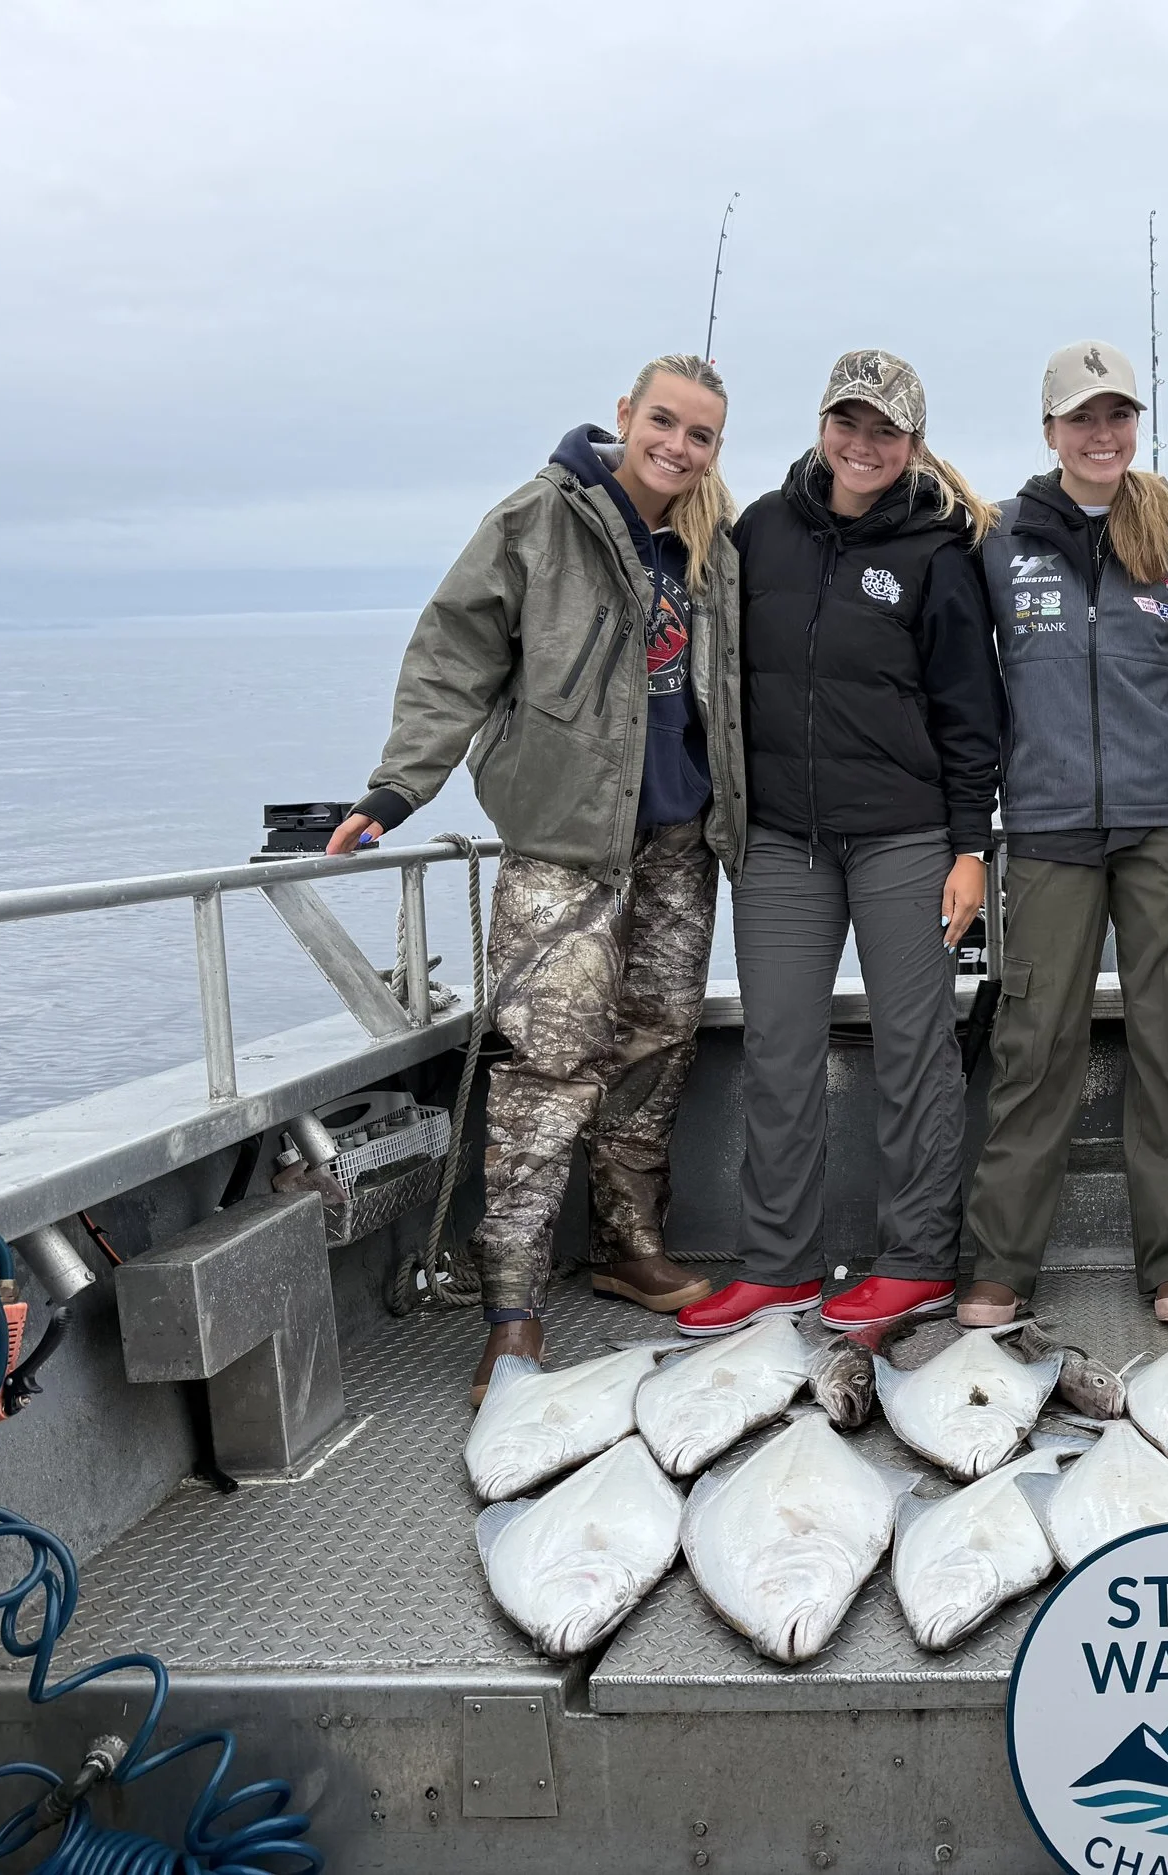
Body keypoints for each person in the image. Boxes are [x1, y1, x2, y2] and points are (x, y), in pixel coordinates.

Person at [329, 353, 746, 1402]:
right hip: (562, 840)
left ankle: (625, 1243)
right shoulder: (534, 520)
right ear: (624, 415)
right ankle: (511, 1312)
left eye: (700, 435)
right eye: (664, 422)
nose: (678, 447)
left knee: (657, 1040)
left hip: (680, 839)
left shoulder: (715, 542)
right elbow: (452, 656)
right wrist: (394, 791)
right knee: (546, 1066)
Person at [676, 349, 1005, 1339]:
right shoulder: (759, 533)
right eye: (848, 424)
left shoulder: (941, 552)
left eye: (886, 431)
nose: (864, 446)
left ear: (913, 443)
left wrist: (967, 847)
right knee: (778, 1047)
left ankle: (916, 1263)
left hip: (906, 839)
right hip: (781, 841)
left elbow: (970, 714)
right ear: (823, 424)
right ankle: (776, 1263)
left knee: (915, 1050)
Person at [957, 340, 1168, 1328]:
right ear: (1050, 431)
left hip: (1165, 826)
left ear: (1134, 426)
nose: (1100, 434)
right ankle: (999, 1267)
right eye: (1081, 417)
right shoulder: (997, 538)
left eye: (1116, 415)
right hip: (1048, 823)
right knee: (1034, 1045)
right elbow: (968, 689)